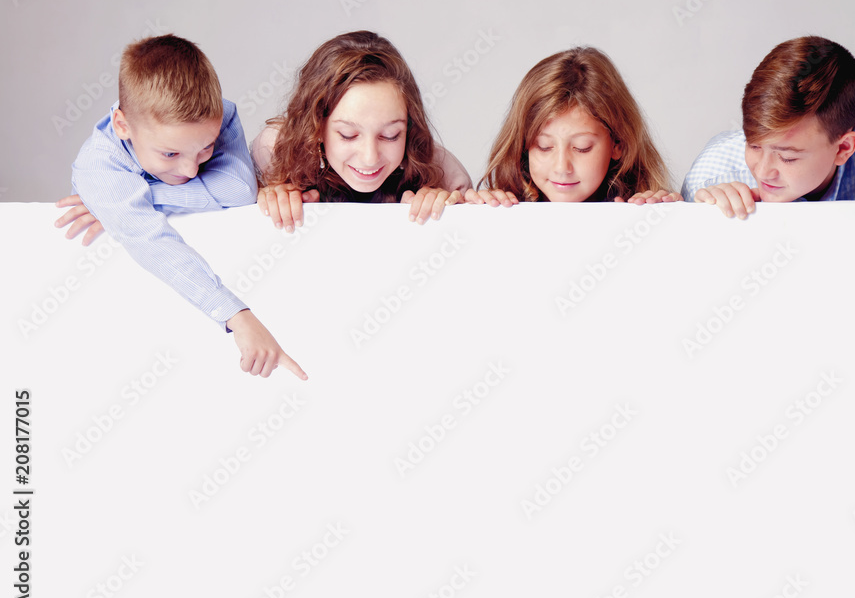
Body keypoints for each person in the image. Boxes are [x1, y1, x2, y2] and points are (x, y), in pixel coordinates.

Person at [54, 34, 306, 380]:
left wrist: (124, 204)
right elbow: (153, 243)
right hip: (123, 319)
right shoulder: (97, 167)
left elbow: (239, 191)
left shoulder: (221, 116)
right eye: (170, 154)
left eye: (206, 149)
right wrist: (238, 316)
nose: (190, 170)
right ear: (122, 126)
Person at [682, 36, 855, 227]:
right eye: (754, 145)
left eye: (788, 158)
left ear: (844, 148)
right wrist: (701, 221)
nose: (764, 171)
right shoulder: (713, 175)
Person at [252, 30, 471, 227]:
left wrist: (448, 210)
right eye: (348, 135)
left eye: (390, 135)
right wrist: (265, 196)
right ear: (316, 127)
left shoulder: (442, 171)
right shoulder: (274, 150)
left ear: (410, 127)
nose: (369, 158)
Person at [467, 46, 680, 206]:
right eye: (543, 146)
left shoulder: (642, 208)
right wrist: (478, 215)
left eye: (582, 147)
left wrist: (662, 217)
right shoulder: (502, 207)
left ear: (618, 143)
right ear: (523, 145)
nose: (561, 168)